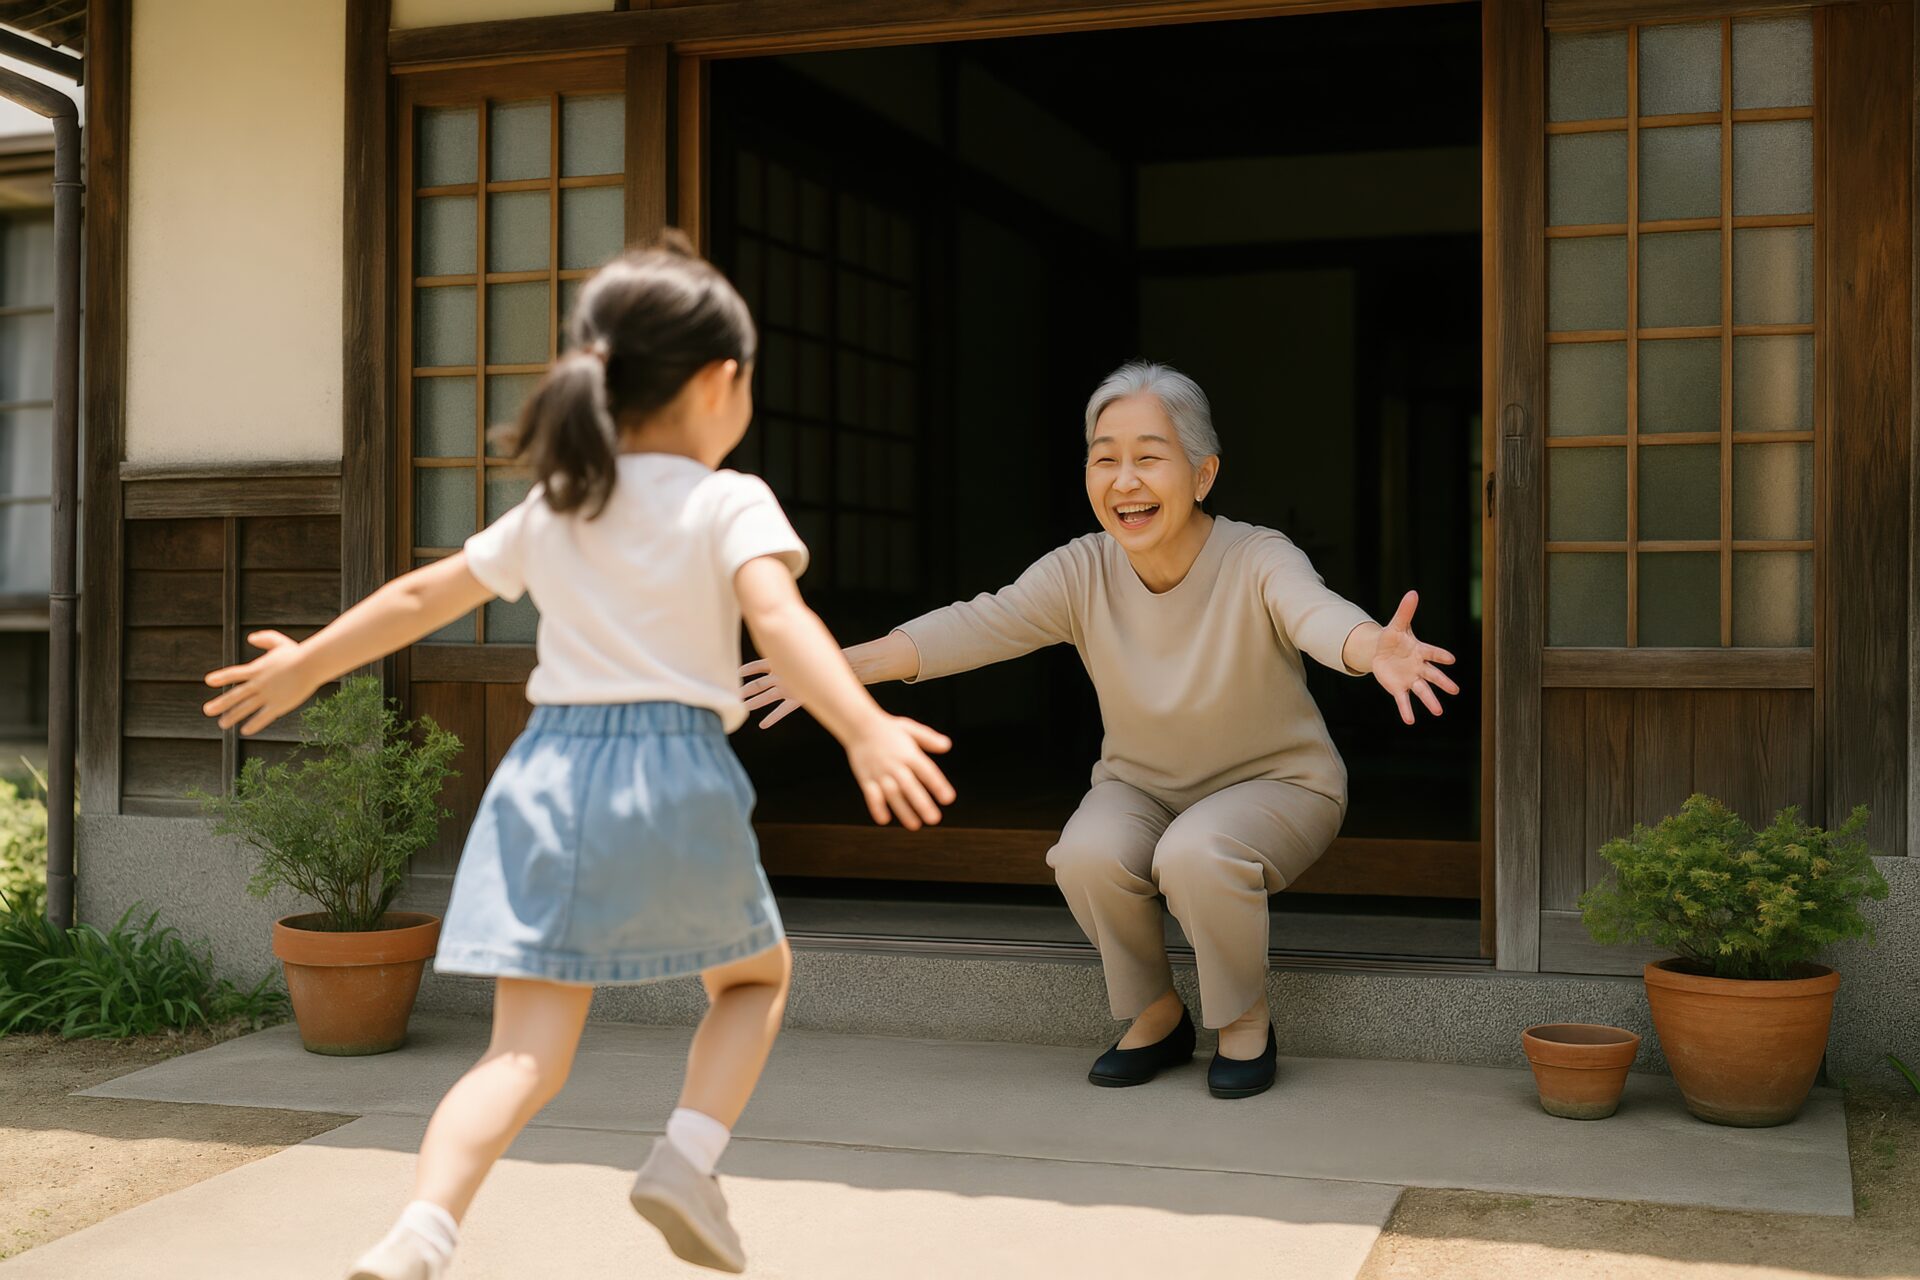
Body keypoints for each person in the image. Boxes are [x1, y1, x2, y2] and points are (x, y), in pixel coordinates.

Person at [201, 232, 955, 1278]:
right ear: (718, 382)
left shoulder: (560, 502)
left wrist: (314, 662)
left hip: (548, 777)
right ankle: (686, 1157)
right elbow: (778, 621)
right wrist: (863, 725)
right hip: (673, 772)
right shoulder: (726, 499)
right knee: (751, 982)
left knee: (520, 1054)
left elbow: (425, 594)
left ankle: (420, 1227)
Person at [741, 361, 1455, 1100]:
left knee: (1196, 854)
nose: (1125, 480)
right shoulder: (1082, 570)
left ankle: (1244, 1020)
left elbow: (1315, 613)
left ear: (1203, 474)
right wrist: (828, 665)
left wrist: (1373, 647)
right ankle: (1155, 1014)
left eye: (1149, 457)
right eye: (1104, 458)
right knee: (1084, 852)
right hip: (1142, 786)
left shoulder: (1257, 557)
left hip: (1278, 786)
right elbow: (973, 624)